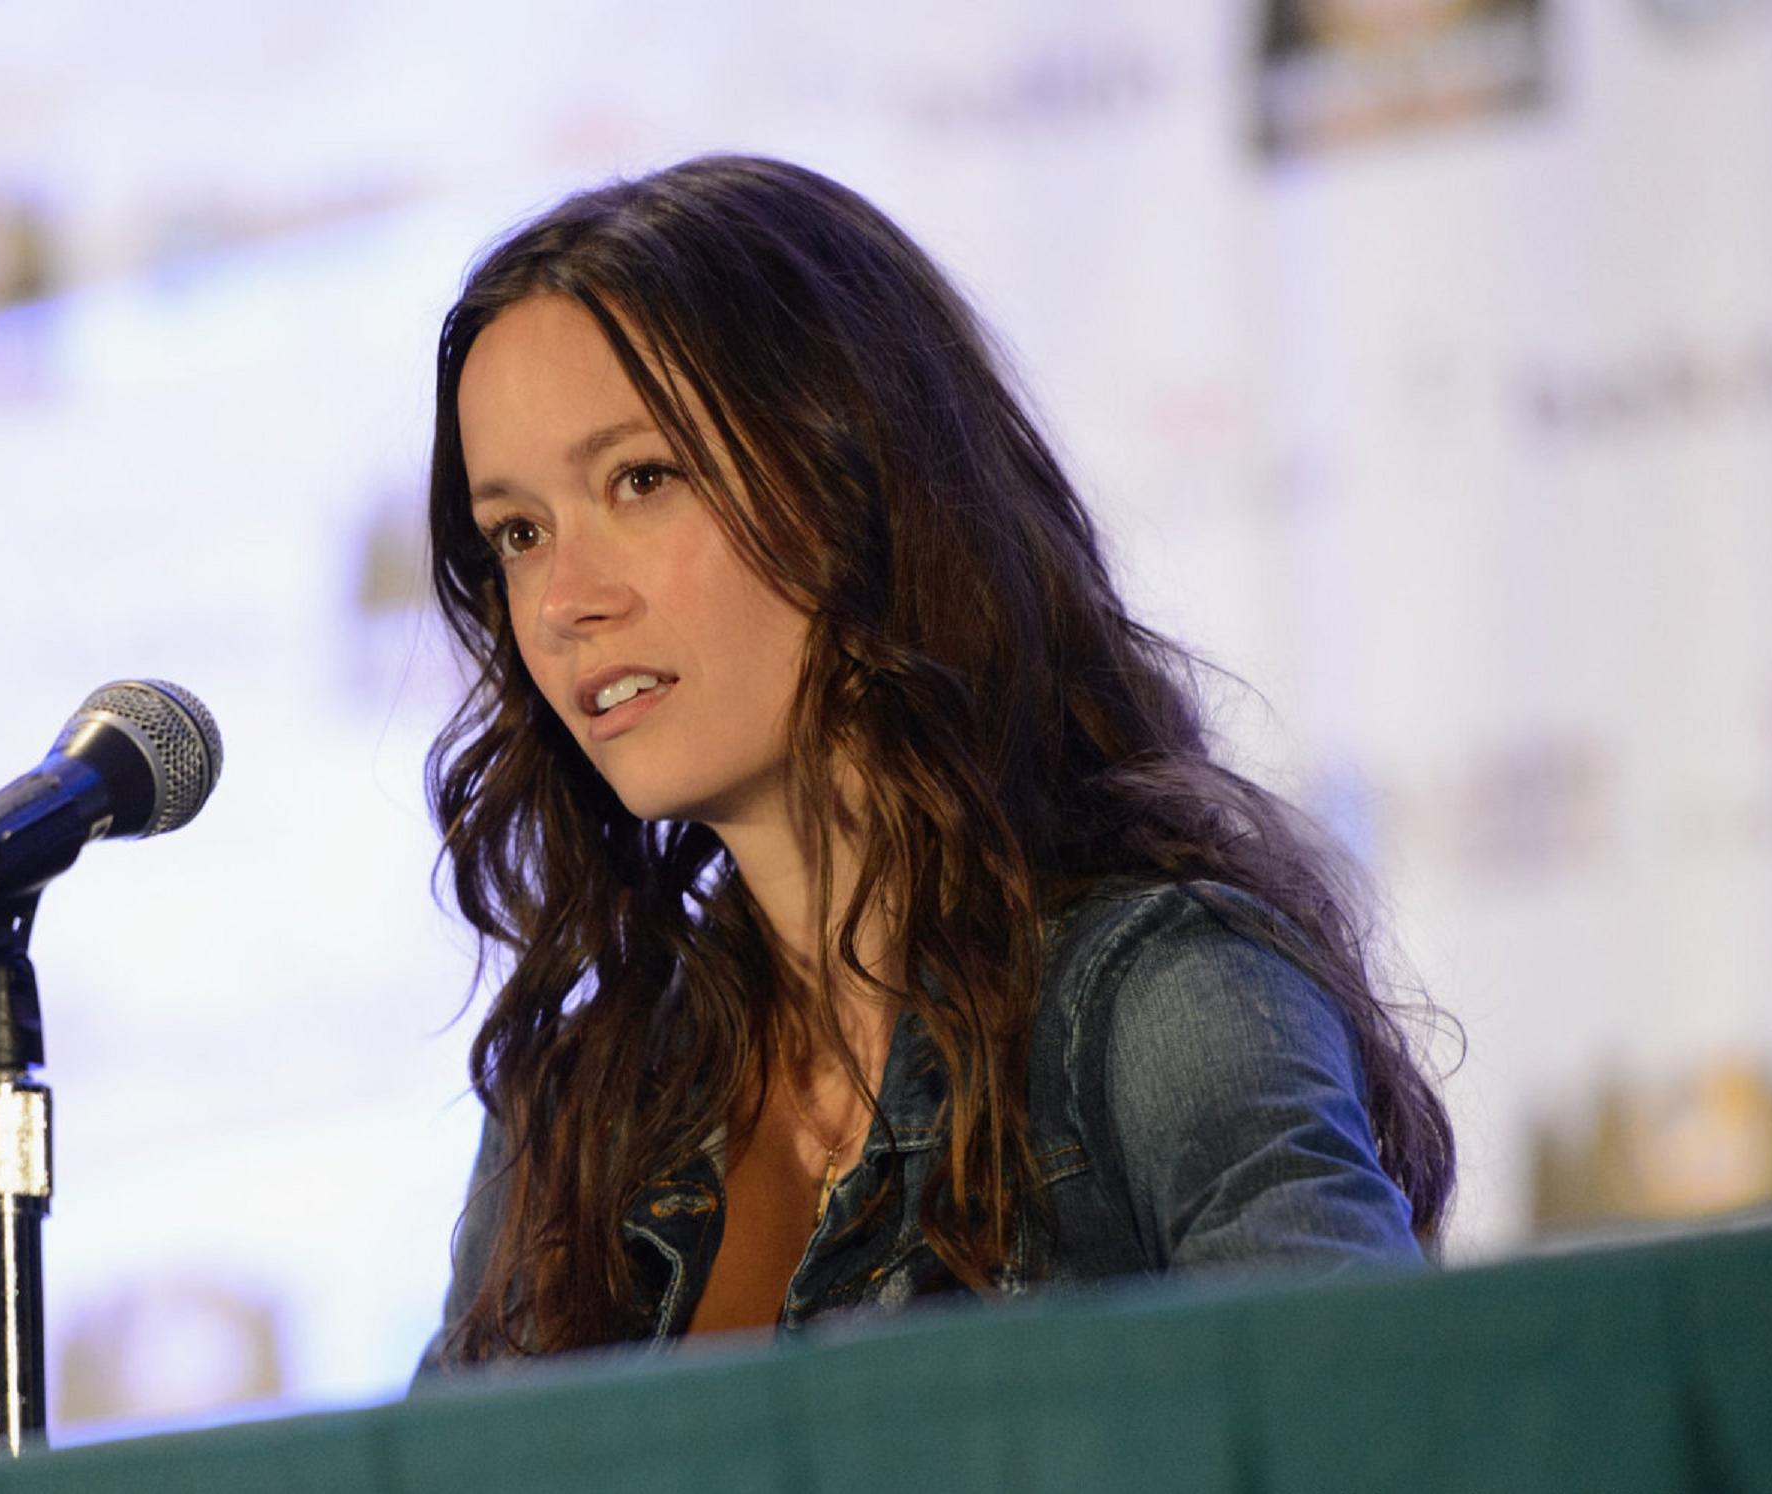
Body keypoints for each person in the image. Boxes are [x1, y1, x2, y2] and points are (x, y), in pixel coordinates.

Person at [415, 154, 1454, 1372]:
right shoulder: (580, 1103)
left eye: (643, 480)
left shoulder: (1160, 1000)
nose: (564, 602)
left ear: (856, 478)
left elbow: (1390, 1427)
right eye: (519, 535)